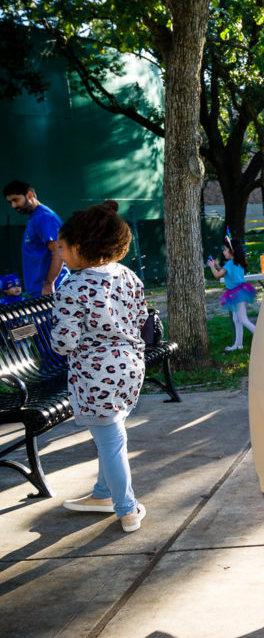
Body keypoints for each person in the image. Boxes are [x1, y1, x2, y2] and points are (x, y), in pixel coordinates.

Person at [53, 201, 148, 533]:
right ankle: (102, 494)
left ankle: (127, 508)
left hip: (96, 377)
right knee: (110, 434)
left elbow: (65, 340)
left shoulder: (72, 287)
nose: (60, 255)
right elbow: (140, 319)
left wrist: (55, 339)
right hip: (130, 369)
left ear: (79, 248)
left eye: (62, 248)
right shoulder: (128, 275)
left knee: (110, 442)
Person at [3, 180, 70, 297]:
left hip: (51, 291)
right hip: (40, 291)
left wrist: (49, 283)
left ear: (29, 195)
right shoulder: (34, 217)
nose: (13, 206)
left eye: (15, 200)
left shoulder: (44, 217)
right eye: (10, 202)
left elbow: (59, 251)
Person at [207, 237, 258, 351]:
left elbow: (217, 275)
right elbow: (226, 272)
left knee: (243, 319)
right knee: (237, 319)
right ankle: (238, 345)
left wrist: (211, 267)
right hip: (240, 292)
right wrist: (218, 267)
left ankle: (261, 337)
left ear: (232, 251)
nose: (224, 252)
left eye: (225, 250)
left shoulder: (229, 264)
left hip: (237, 294)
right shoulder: (237, 261)